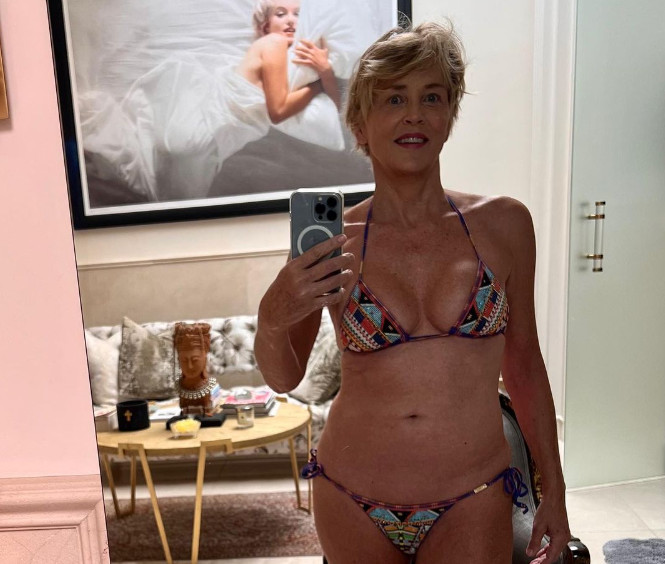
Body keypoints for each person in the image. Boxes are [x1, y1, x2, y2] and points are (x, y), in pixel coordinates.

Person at [255, 21, 571, 564]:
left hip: (472, 495)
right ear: (360, 124)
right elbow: (284, 377)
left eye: (432, 97)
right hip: (350, 497)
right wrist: (271, 317)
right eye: (394, 99)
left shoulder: (505, 224)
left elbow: (524, 365)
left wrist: (555, 489)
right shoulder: (333, 239)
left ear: (449, 116)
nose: (414, 115)